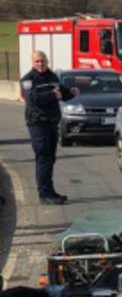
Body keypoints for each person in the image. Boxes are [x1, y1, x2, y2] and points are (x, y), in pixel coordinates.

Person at [20, 51, 77, 205]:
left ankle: (50, 191)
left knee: (51, 158)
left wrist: (71, 93)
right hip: (38, 123)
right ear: (32, 62)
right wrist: (53, 95)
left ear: (47, 60)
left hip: (52, 122)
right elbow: (33, 100)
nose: (40, 63)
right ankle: (44, 194)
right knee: (43, 157)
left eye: (43, 60)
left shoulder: (52, 76)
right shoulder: (27, 80)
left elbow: (62, 92)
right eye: (37, 61)